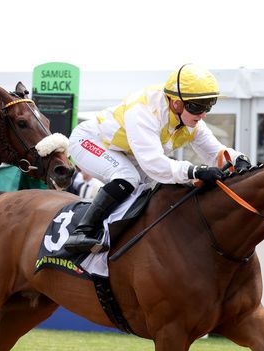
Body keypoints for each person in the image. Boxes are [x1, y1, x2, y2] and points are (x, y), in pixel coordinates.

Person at [63, 64, 251, 253]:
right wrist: (194, 170)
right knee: (128, 177)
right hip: (91, 141)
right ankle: (82, 231)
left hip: (126, 152)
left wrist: (238, 159)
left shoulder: (191, 121)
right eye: (197, 107)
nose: (202, 114)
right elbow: (153, 163)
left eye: (208, 106)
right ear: (175, 102)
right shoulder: (145, 110)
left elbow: (214, 152)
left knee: (154, 189)